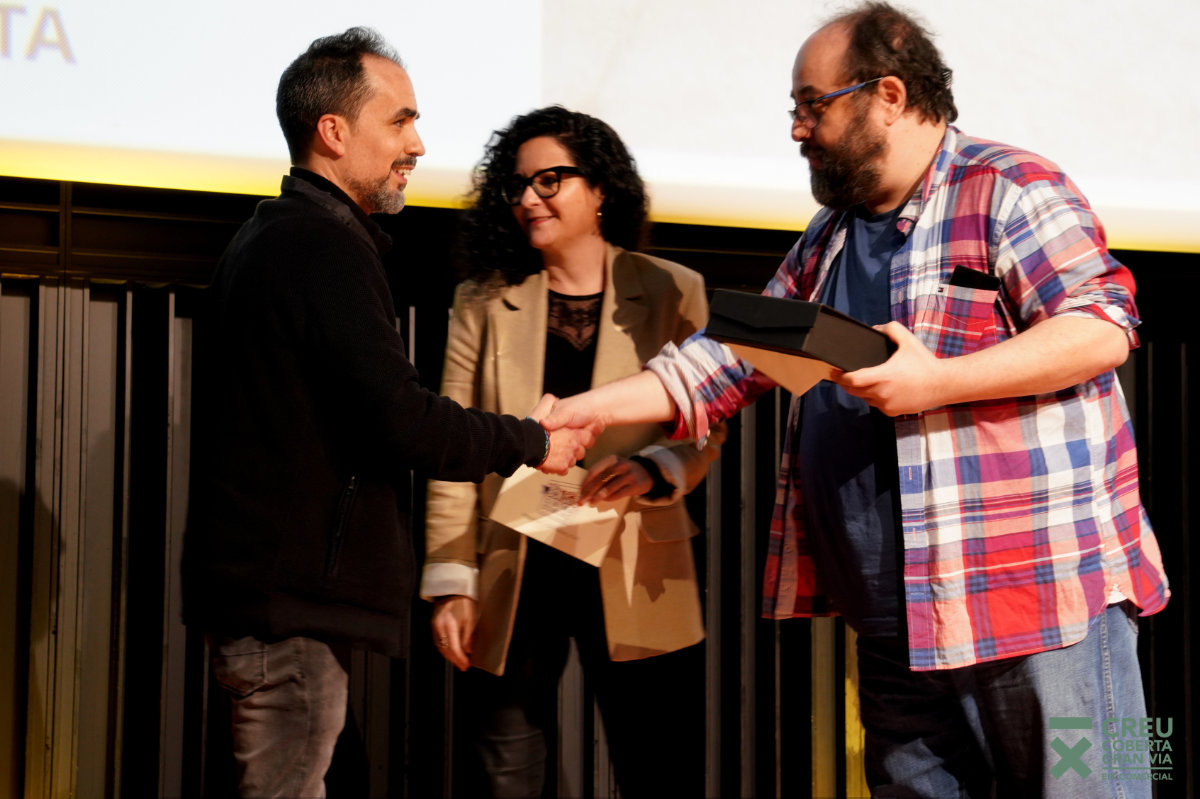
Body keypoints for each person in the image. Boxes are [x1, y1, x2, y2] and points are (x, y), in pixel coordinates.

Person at [542, 4, 1170, 797]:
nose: (798, 129)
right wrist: (590, 409)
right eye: (796, 109)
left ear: (890, 95)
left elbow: (1102, 326)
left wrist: (936, 382)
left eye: (813, 105)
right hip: (895, 618)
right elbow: (730, 355)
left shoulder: (1010, 186)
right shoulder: (830, 233)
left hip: (1042, 608)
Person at [182, 30, 593, 798]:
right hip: (288, 611)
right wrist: (535, 440)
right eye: (400, 121)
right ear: (334, 132)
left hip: (281, 605)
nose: (417, 144)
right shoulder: (316, 245)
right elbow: (402, 419)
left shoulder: (281, 237)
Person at [421, 106, 719, 799]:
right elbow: (454, 451)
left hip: (639, 556)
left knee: (661, 771)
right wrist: (452, 579)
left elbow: (708, 419)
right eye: (517, 185)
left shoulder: (674, 289)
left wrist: (656, 468)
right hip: (515, 561)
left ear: (601, 188)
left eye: (549, 180)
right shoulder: (482, 301)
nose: (529, 198)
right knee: (503, 776)